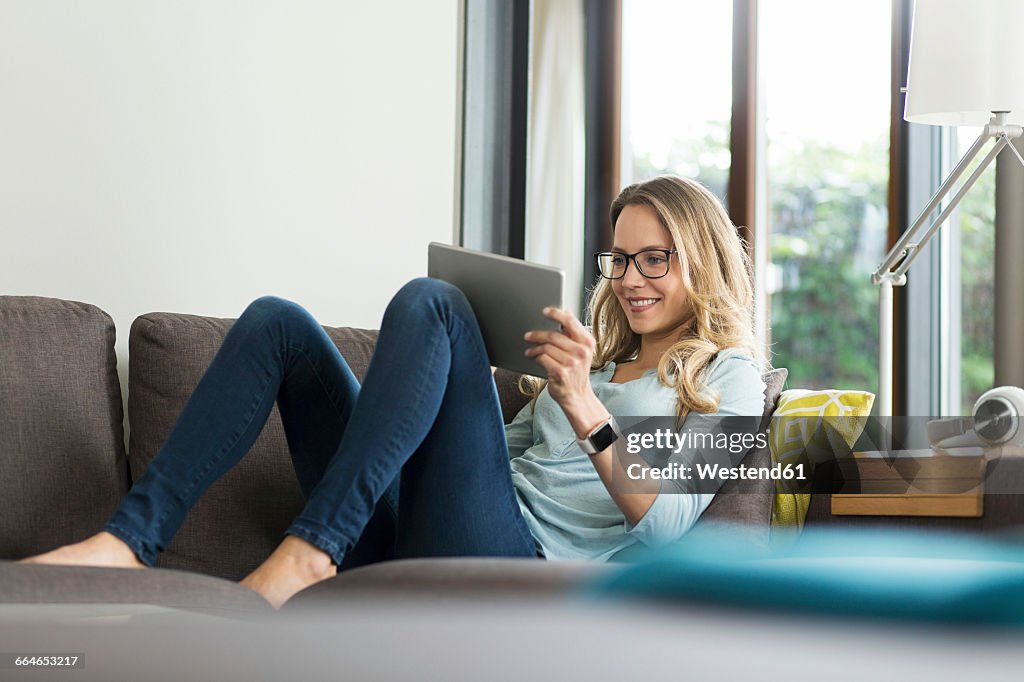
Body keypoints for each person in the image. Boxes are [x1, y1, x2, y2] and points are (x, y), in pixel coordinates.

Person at [23, 175, 767, 608]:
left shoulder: (727, 374)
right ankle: (128, 541)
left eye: (654, 260)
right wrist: (452, 394)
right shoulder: (592, 361)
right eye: (619, 260)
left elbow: (668, 526)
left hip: (517, 568)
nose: (631, 280)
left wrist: (581, 405)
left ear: (698, 259)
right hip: (429, 531)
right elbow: (489, 469)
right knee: (278, 323)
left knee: (434, 300)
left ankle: (312, 553)